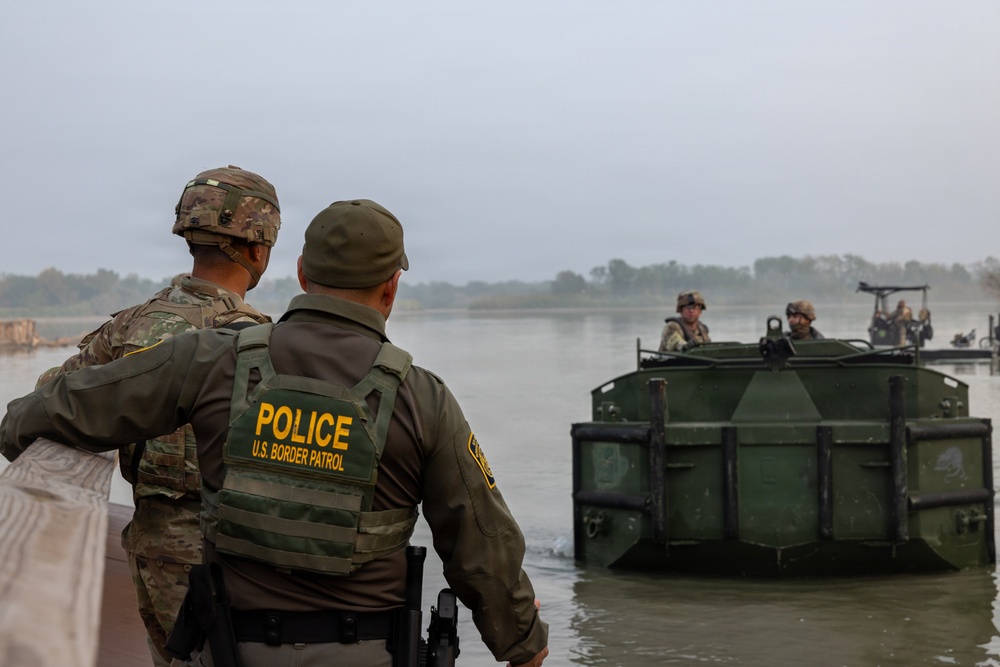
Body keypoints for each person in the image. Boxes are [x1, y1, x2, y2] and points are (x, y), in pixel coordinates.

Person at [1, 199, 549, 667]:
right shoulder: (422, 397)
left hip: (230, 646)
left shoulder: (213, 361)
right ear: (392, 288)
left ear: (303, 273)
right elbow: (483, 543)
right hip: (368, 652)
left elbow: (58, 409)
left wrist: (17, 433)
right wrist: (523, 644)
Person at [32, 165, 281, 667]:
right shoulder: (260, 342)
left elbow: (51, 395)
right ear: (258, 248)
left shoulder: (132, 324)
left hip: (147, 544)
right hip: (228, 556)